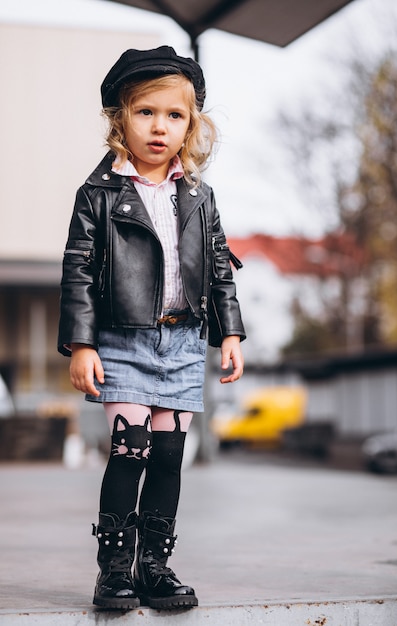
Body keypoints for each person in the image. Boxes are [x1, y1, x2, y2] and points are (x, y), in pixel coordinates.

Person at [57, 46, 245, 611]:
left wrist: (230, 332)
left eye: (174, 115)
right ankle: (113, 570)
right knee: (129, 449)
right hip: (123, 339)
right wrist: (82, 342)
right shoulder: (100, 194)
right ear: (121, 118)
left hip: (184, 342)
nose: (159, 127)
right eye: (145, 113)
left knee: (168, 455)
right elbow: (78, 271)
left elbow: (219, 265)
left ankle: (154, 567)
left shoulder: (201, 197)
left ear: (191, 124)